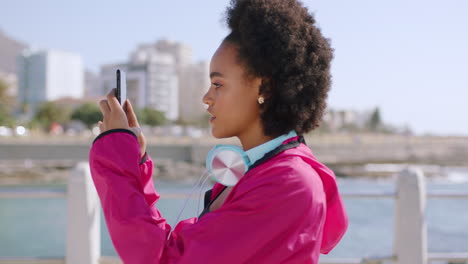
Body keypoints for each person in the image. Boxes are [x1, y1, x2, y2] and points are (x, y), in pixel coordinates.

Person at [89, 0, 348, 263]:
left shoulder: (289, 183)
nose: (206, 97)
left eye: (217, 84)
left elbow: (167, 259)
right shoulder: (261, 170)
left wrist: (115, 157)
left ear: (264, 89)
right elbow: (176, 249)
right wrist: (135, 165)